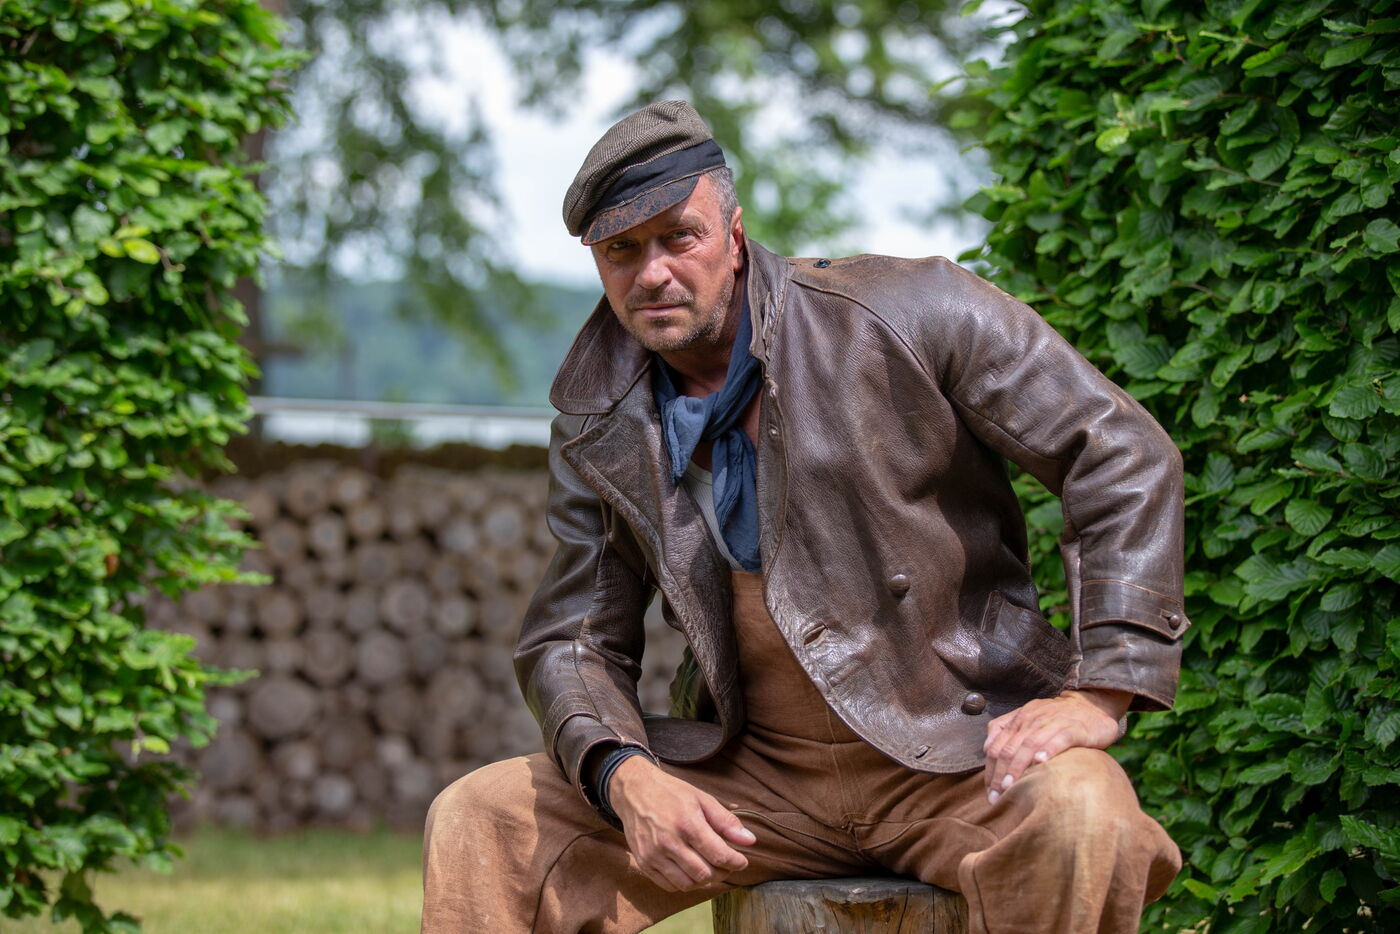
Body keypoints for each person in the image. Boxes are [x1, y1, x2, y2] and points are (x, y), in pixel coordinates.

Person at [421, 100, 1187, 934]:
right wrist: (624, 775)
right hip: (754, 780)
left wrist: (1102, 691)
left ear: (734, 234)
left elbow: (1119, 451)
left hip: (958, 751)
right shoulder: (595, 416)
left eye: (679, 237)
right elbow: (574, 638)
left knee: (1082, 812)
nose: (653, 273)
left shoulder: (908, 310)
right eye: (622, 250)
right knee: (483, 819)